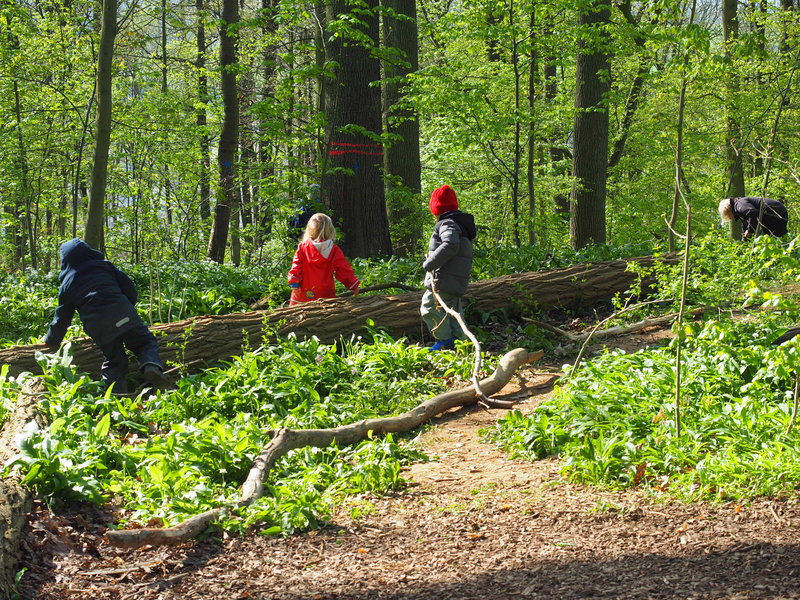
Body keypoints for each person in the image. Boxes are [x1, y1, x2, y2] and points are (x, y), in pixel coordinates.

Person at [43, 239, 170, 394]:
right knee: (145, 342)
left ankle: (116, 398)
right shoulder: (105, 266)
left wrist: (51, 340)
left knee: (114, 360)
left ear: (65, 261)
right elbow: (130, 289)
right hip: (123, 313)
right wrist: (127, 308)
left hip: (99, 327)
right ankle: (151, 366)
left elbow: (62, 317)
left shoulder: (67, 284)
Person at [421, 185, 477, 351]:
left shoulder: (446, 224)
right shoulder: (459, 224)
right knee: (453, 312)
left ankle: (444, 341)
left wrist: (430, 263)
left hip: (444, 279)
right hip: (455, 279)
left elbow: (450, 245)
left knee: (429, 306)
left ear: (436, 209)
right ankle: (462, 343)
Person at [287, 213, 360, 305]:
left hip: (302, 293)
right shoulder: (334, 250)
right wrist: (353, 285)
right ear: (330, 230)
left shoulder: (303, 247)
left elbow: (296, 265)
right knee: (324, 315)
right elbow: (343, 270)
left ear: (309, 230)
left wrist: (294, 282)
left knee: (297, 316)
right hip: (325, 294)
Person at [719, 197, 789, 238]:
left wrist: (750, 231)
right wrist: (745, 239)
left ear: (728, 210)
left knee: (771, 238)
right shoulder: (739, 207)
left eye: (728, 216)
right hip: (780, 211)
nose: (730, 218)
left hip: (773, 211)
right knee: (779, 238)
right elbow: (745, 223)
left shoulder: (739, 205)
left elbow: (753, 213)